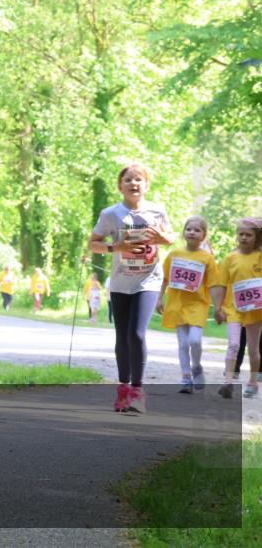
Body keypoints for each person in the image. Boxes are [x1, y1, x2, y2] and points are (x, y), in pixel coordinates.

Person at [88, 164, 175, 414]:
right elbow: (93, 244)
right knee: (122, 337)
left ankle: (137, 392)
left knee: (136, 334)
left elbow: (170, 238)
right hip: (120, 282)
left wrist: (162, 238)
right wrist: (117, 247)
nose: (134, 184)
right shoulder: (110, 214)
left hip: (148, 280)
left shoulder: (157, 211)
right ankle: (123, 389)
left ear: (146, 185)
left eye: (139, 180)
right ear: (120, 186)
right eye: (128, 180)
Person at [154, 216, 219, 393]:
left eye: (197, 230)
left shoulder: (207, 259)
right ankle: (185, 377)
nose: (192, 232)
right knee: (183, 344)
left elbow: (213, 284)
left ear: (203, 235)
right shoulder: (174, 254)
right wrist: (159, 298)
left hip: (198, 305)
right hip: (177, 304)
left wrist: (219, 307)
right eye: (189, 229)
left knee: (195, 340)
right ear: (183, 232)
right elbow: (165, 278)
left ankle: (196, 367)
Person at [214, 218, 262, 399]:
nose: (243, 238)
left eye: (248, 235)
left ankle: (252, 382)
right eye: (240, 234)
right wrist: (218, 308)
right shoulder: (230, 258)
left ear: (256, 237)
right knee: (233, 344)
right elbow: (221, 284)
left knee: (253, 349)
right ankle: (228, 383)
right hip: (234, 309)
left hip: (256, 311)